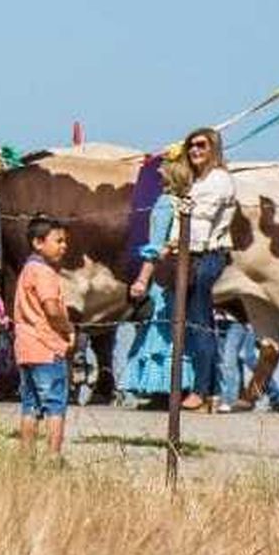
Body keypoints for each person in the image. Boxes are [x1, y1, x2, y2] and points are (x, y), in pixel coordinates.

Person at [122, 157, 197, 402]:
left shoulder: (165, 203)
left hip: (163, 279)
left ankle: (159, 389)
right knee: (178, 332)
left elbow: (155, 247)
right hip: (182, 274)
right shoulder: (186, 204)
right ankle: (179, 386)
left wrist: (141, 280)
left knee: (158, 330)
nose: (160, 173)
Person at [181, 127, 235, 411]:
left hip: (205, 254)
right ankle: (211, 391)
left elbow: (200, 223)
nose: (195, 150)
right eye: (191, 145)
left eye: (201, 145)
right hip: (196, 253)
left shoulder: (218, 180)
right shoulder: (199, 180)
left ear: (214, 148)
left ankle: (202, 390)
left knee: (199, 323)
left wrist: (177, 248)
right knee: (197, 323)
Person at [14, 216, 74, 456]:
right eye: (58, 241)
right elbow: (51, 308)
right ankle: (53, 456)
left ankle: (26, 455)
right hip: (47, 348)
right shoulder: (45, 272)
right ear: (38, 243)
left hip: (26, 347)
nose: (64, 246)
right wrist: (68, 328)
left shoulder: (27, 270)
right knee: (55, 405)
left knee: (30, 405)